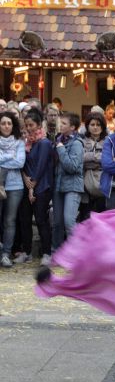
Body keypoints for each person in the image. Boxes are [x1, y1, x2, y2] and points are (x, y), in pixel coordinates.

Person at [16, 108, 54, 265]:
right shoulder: (27, 143)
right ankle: (27, 252)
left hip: (42, 186)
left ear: (39, 125)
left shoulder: (44, 143)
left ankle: (46, 253)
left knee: (40, 219)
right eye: (26, 125)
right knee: (24, 219)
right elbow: (22, 163)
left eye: (31, 125)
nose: (29, 128)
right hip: (27, 184)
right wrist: (25, 178)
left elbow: (41, 166)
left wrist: (32, 186)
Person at [52, 113, 84, 251]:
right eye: (61, 122)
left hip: (72, 186)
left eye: (64, 123)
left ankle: (76, 253)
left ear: (73, 127)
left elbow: (72, 167)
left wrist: (60, 149)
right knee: (57, 222)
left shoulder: (77, 143)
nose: (60, 125)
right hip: (58, 185)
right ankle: (56, 251)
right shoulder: (58, 140)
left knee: (69, 221)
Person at [0, 112, 26, 268]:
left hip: (15, 186)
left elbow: (20, 163)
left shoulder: (19, 142)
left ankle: (6, 254)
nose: (6, 126)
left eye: (9, 123)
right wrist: (11, 156)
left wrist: (2, 159)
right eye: (3, 123)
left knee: (10, 221)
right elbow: (14, 161)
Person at [79, 111, 107, 221]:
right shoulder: (81, 141)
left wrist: (89, 157)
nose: (95, 127)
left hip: (103, 184)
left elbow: (109, 160)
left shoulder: (108, 142)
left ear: (103, 126)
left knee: (101, 218)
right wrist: (97, 157)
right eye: (92, 124)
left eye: (98, 124)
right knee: (85, 217)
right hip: (85, 186)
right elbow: (80, 159)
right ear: (87, 126)